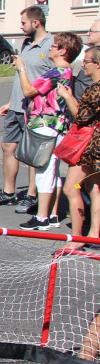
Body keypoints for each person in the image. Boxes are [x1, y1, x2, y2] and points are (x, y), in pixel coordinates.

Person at [0, 6, 53, 215]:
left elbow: (51, 79)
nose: (20, 26)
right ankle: (8, 192)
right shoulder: (25, 44)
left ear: (36, 23)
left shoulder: (51, 46)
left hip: (34, 110)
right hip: (16, 106)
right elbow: (19, 77)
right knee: (8, 147)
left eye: (23, 23)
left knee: (32, 154)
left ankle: (32, 196)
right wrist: (9, 101)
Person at [15, 32, 80, 231]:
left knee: (44, 170)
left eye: (54, 46)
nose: (50, 48)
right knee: (52, 170)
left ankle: (41, 217)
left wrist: (22, 69)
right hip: (58, 126)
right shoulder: (65, 72)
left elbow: (28, 91)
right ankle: (52, 214)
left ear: (63, 51)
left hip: (46, 125)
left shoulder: (57, 72)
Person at [59, 45, 100, 244]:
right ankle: (94, 233)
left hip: (89, 147)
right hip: (97, 147)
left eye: (87, 62)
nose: (83, 65)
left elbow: (81, 118)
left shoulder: (95, 89)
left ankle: (77, 239)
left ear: (98, 65)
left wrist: (68, 97)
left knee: (71, 188)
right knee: (94, 188)